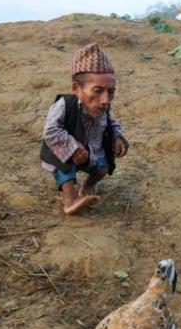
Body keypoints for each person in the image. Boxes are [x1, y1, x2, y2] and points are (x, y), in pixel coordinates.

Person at [40, 43, 129, 215]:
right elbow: (50, 131)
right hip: (64, 152)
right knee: (66, 171)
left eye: (111, 92)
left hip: (92, 152)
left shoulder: (103, 106)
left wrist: (117, 137)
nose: (105, 100)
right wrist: (71, 146)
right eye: (97, 91)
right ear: (76, 89)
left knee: (104, 168)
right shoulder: (64, 105)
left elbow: (111, 122)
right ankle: (70, 200)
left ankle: (87, 187)